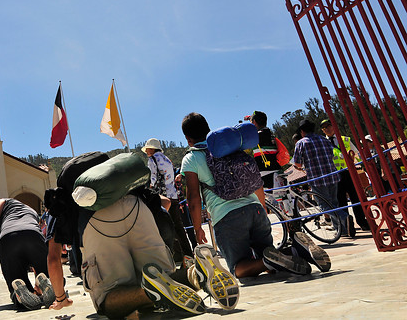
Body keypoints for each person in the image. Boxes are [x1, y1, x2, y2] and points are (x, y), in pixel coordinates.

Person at [45, 152, 204, 318]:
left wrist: (60, 298)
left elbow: (54, 259)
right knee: (164, 276)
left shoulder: (63, 198)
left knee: (107, 301)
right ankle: (197, 275)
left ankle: (150, 293)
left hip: (95, 221)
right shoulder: (122, 185)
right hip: (137, 207)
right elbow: (166, 202)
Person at [181, 112, 330, 288]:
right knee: (269, 254)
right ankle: (297, 250)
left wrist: (198, 228)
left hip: (226, 217)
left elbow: (193, 198)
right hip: (254, 208)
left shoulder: (191, 159)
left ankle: (267, 261)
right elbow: (255, 180)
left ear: (188, 139)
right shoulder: (232, 148)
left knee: (239, 269)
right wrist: (262, 209)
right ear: (208, 129)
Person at [0, 198, 54, 310]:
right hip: (32, 234)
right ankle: (47, 283)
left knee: (16, 281)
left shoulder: (4, 201)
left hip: (8, 238)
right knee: (47, 274)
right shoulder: (32, 211)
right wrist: (38, 284)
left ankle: (20, 295)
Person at [293, 119, 349, 236]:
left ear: (302, 131)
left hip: (316, 178)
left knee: (324, 206)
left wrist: (299, 166)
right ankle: (341, 230)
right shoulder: (324, 139)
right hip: (332, 175)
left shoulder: (301, 143)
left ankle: (345, 217)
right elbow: (332, 154)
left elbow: (297, 164)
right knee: (334, 202)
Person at [142, 138, 194, 262]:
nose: (147, 151)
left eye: (148, 148)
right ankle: (188, 252)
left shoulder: (152, 159)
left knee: (167, 225)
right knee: (178, 225)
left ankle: (177, 254)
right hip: (173, 194)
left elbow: (153, 177)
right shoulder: (166, 159)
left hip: (162, 196)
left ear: (152, 148)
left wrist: (150, 187)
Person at [320, 119, 369, 233]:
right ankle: (347, 225)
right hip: (334, 174)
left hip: (349, 172)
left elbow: (355, 153)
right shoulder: (323, 143)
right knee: (340, 200)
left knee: (355, 198)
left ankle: (362, 222)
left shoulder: (345, 139)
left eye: (329, 126)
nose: (327, 129)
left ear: (334, 126)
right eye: (324, 128)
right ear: (323, 131)